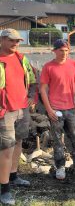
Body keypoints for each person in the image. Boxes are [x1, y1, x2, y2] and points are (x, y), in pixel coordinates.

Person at [40, 39, 75, 180]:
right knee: (57, 140)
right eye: (61, 50)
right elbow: (42, 89)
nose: (64, 53)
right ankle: (60, 167)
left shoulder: (73, 64)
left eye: (66, 50)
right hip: (56, 109)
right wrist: (49, 110)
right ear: (54, 51)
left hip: (71, 108)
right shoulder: (48, 67)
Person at [0, 28, 37, 205]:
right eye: (11, 40)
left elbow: (32, 79)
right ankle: (4, 189)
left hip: (22, 110)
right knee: (6, 149)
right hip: (5, 111)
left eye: (17, 41)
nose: (15, 44)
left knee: (18, 143)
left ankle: (14, 176)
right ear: (2, 40)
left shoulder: (22, 59)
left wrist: (30, 97)